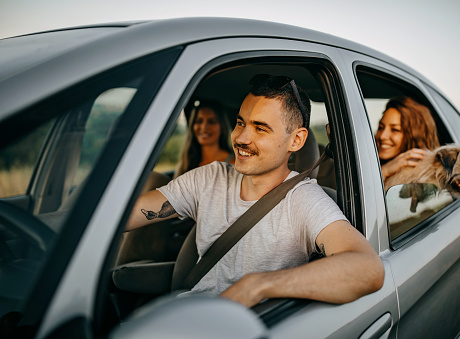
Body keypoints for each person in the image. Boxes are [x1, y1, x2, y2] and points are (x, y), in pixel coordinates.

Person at [126, 74, 384, 307]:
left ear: (296, 140)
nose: (241, 138)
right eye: (240, 123)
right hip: (186, 314)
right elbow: (127, 215)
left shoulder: (304, 200)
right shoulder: (209, 178)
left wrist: (259, 285)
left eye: (260, 128)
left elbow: (368, 269)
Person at [375, 97, 440, 182]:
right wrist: (384, 171)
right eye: (381, 127)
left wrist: (384, 172)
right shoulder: (366, 162)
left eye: (395, 130)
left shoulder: (421, 180)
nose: (382, 136)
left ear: (415, 136)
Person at [174, 101, 234, 178]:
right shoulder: (187, 162)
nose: (204, 127)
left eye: (211, 122)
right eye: (199, 121)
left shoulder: (233, 163)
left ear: (222, 127)